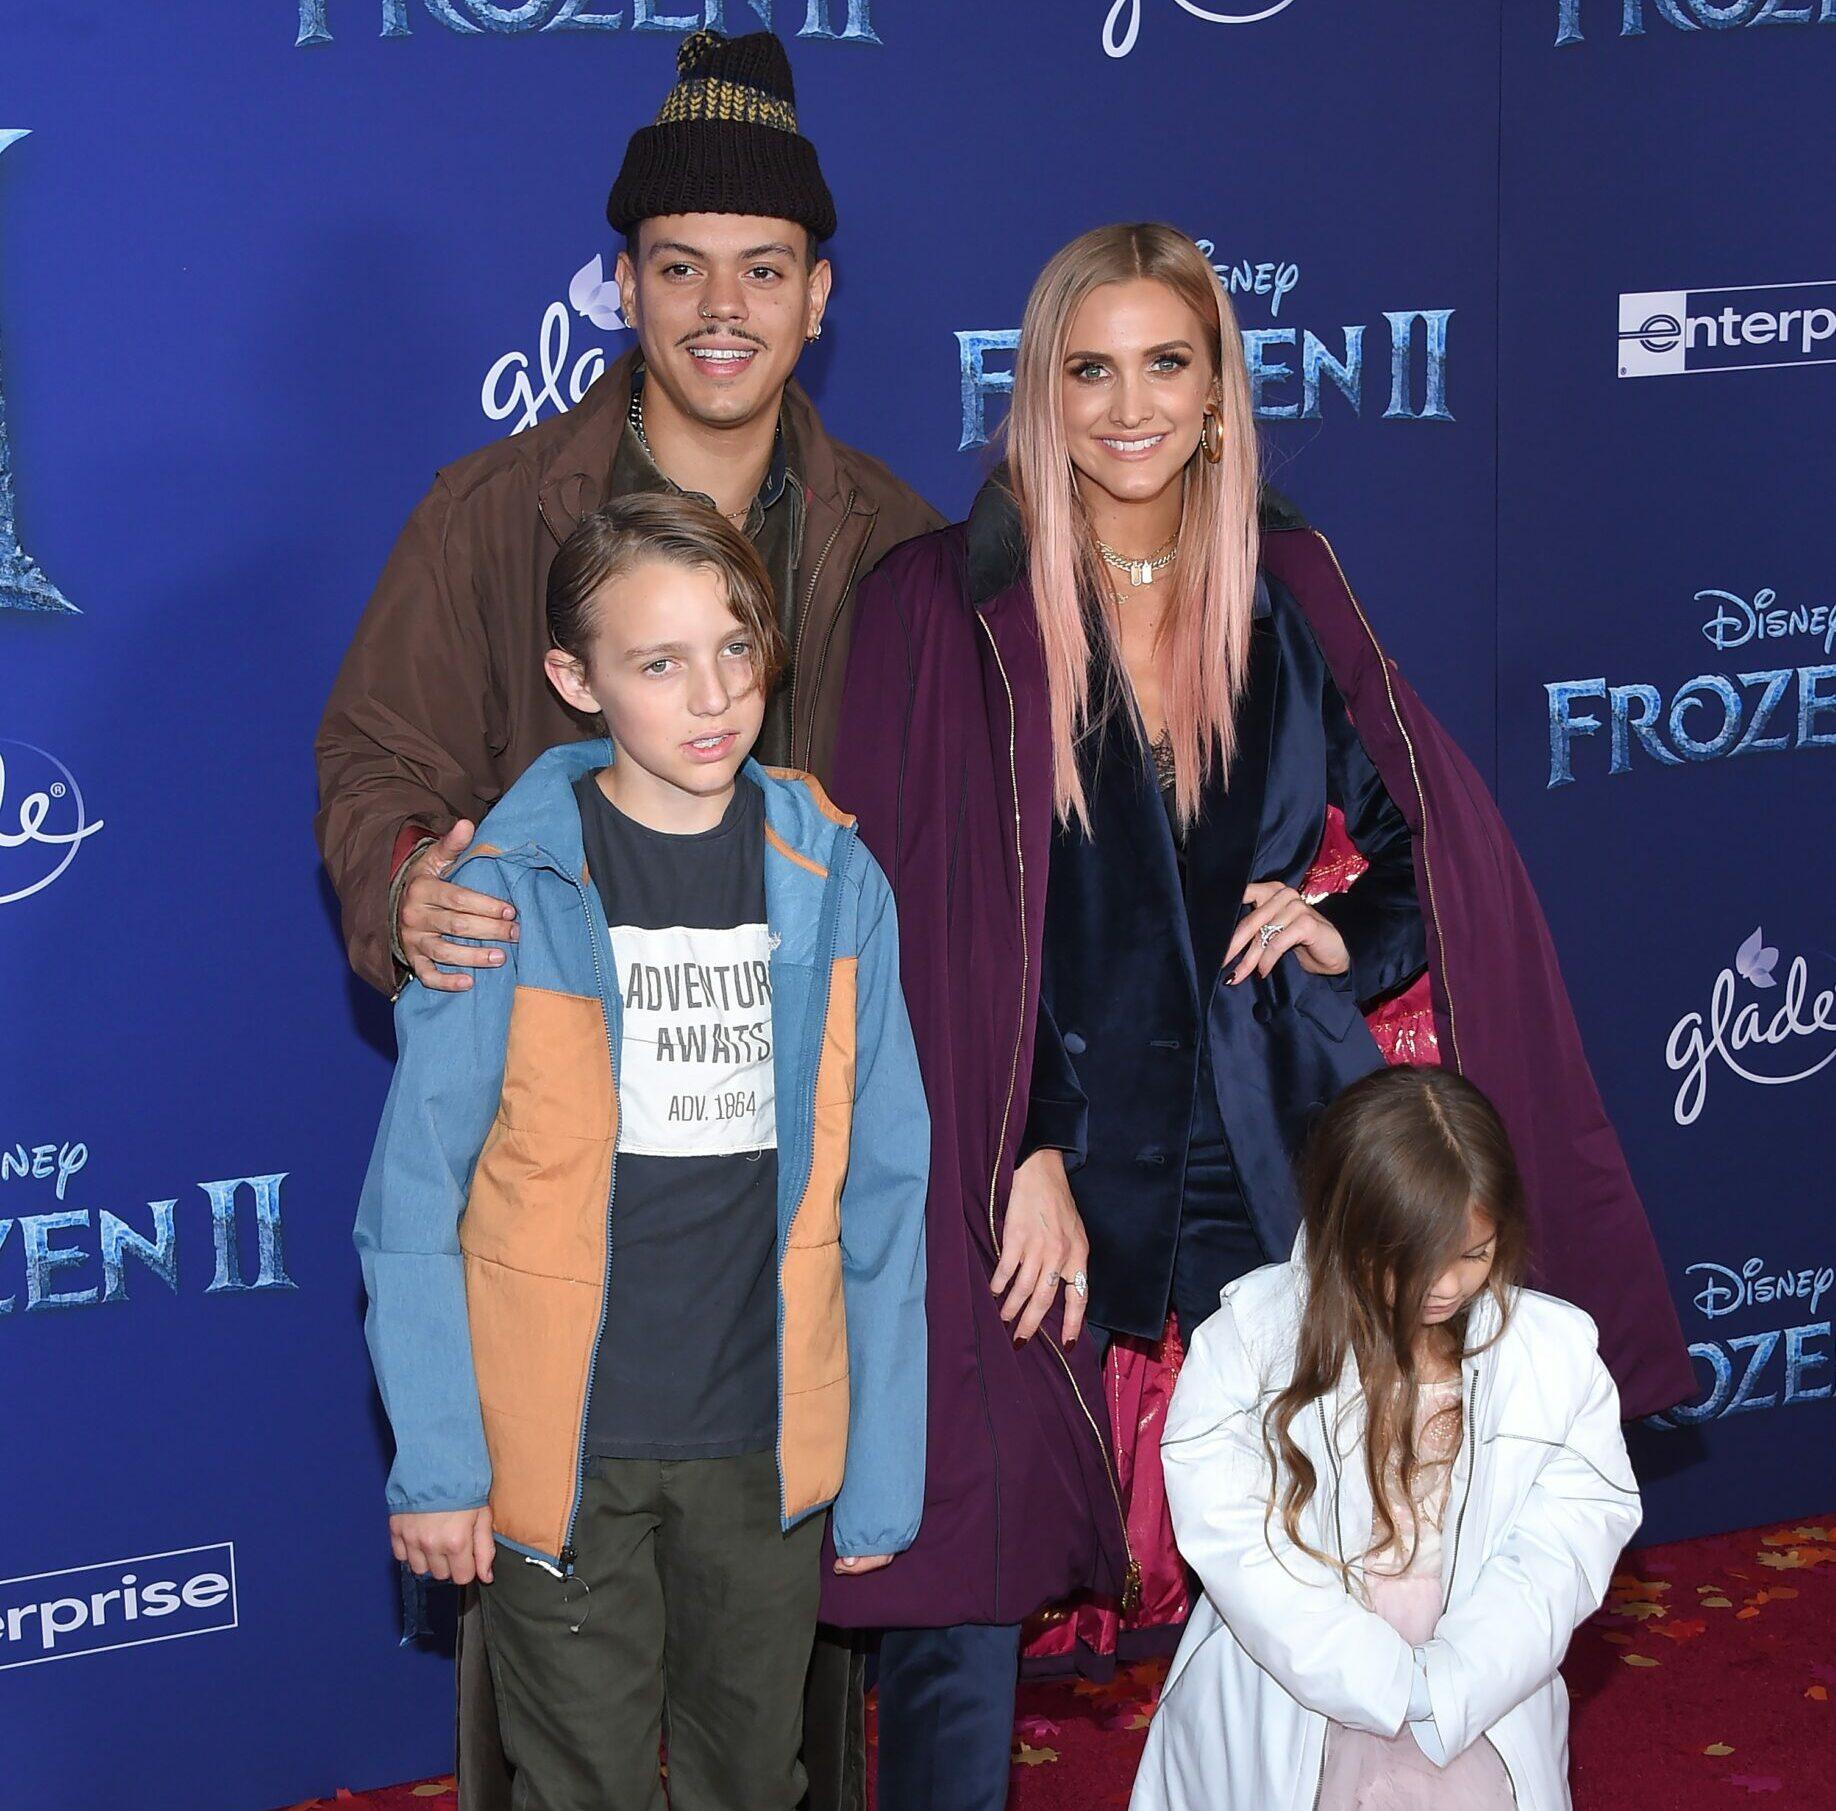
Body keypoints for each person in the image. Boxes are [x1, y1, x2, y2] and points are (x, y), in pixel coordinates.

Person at [824, 221, 1690, 1807]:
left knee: (1316, 1541)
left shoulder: (1282, 585)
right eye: (1092, 368)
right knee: (966, 1567)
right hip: (1030, 1159)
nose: (1130, 405)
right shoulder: (941, 608)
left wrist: (1340, 926)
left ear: (1222, 392)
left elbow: (1431, 835)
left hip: (1257, 1140)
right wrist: (1017, 1144)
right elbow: (890, 932)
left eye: (1170, 364)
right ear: (1041, 390)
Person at [315, 28, 940, 1808]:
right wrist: (411, 882)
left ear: (819, 295)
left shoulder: (900, 546)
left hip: (779, 1253)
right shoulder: (493, 516)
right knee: (557, 1721)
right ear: (622, 287)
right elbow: (373, 752)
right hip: (558, 1199)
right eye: (680, 269)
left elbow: (941, 868)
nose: (720, 309)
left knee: (779, 1730)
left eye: (762, 270)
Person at [353, 493, 929, 1811]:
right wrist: (442, 1459)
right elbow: (411, 1201)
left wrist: (881, 1466)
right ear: (577, 678)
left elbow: (887, 1185)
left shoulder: (838, 879)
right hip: (567, 1456)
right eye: (658, 661)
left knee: (752, 1775)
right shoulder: (499, 891)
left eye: (736, 645)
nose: (712, 692)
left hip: (762, 1445)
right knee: (582, 1783)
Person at [1131, 1063, 1642, 1811]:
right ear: (1352, 1230)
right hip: (1299, 1673)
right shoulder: (1252, 1339)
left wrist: (1467, 1666)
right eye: (1417, 1260)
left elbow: (1573, 1524)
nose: (1448, 1284)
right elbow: (1231, 1530)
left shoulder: (1551, 1352)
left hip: (1482, 1672)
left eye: (1475, 1253)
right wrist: (1366, 1668)